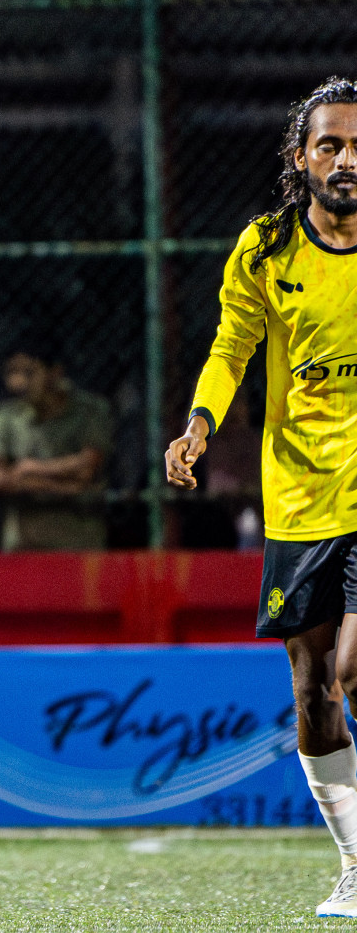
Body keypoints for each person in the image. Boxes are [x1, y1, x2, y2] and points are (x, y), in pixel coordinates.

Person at [166, 77, 357, 919]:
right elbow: (229, 347)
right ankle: (355, 863)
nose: (348, 160)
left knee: (355, 664)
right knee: (315, 687)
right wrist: (200, 425)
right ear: (300, 157)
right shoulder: (266, 247)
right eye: (331, 145)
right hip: (298, 498)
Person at [0, 344, 112, 551]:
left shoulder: (90, 410)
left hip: (79, 546)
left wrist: (28, 469)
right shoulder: (5, 416)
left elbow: (87, 469)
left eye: (29, 372)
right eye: (11, 373)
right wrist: (66, 487)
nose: (18, 383)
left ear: (55, 373)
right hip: (21, 549)